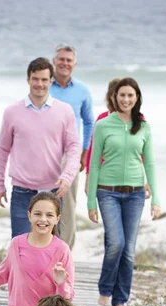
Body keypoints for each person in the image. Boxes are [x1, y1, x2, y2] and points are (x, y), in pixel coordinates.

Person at [87, 77, 161, 306]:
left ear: (137, 97)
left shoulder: (144, 126)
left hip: (136, 194)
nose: (126, 99)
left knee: (128, 249)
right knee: (115, 243)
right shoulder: (103, 125)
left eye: (131, 95)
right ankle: (105, 288)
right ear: (114, 97)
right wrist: (91, 201)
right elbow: (94, 164)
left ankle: (121, 299)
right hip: (107, 192)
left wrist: (156, 199)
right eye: (122, 95)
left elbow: (149, 163)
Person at [0, 57, 80, 238]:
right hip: (22, 192)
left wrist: (68, 176)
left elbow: (73, 147)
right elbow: (2, 149)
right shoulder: (12, 112)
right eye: (35, 79)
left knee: (51, 251)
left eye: (44, 79)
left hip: (54, 192)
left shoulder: (65, 111)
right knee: (21, 248)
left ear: (51, 81)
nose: (39, 84)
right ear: (28, 79)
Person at [50, 45, 94, 249]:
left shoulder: (82, 91)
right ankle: (41, 251)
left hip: (70, 155)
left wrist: (84, 152)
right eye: (61, 59)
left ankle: (64, 252)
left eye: (69, 60)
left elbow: (89, 122)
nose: (65, 63)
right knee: (41, 203)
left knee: (67, 206)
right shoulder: (43, 86)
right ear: (54, 61)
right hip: (43, 153)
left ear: (74, 64)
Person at [85, 77, 151, 201]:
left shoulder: (138, 119)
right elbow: (93, 151)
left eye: (128, 95)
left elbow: (142, 152)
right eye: (119, 95)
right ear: (111, 97)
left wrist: (149, 180)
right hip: (107, 180)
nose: (123, 100)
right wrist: (89, 178)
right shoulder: (102, 119)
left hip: (131, 182)